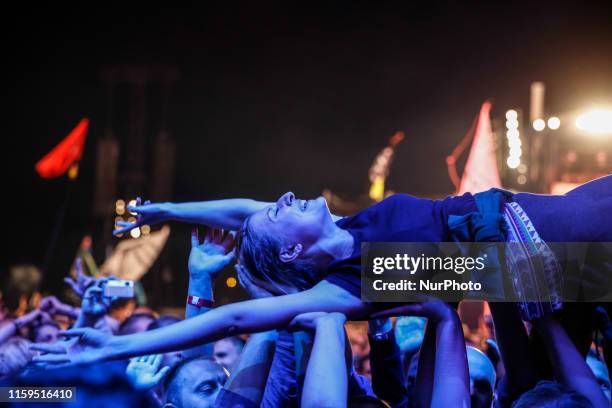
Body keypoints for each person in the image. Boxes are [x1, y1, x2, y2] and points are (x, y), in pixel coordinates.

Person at [31, 177, 612, 371]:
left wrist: (171, 211)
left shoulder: (354, 225)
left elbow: (244, 215)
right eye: (278, 211)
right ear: (289, 253)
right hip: (558, 243)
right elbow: (232, 315)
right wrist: (96, 353)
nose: (283, 194)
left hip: (541, 232)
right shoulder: (356, 282)